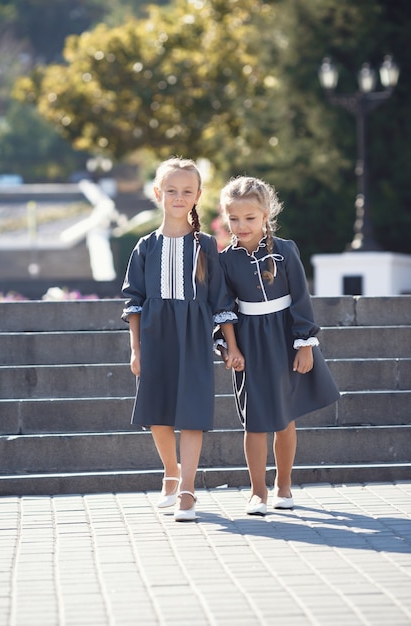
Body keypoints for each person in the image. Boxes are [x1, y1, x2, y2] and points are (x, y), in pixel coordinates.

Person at [121, 157, 244, 522]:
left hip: (194, 337)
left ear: (197, 196)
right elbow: (134, 302)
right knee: (157, 412)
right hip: (155, 336)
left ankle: (187, 491)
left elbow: (221, 300)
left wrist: (231, 345)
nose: (178, 197)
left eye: (186, 191)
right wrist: (135, 348)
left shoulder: (206, 246)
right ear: (158, 193)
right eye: (171, 190)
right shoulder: (145, 246)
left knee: (191, 412)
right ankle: (171, 472)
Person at [216, 175, 340, 515]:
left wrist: (304, 345)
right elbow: (223, 308)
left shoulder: (285, 251)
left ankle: (283, 485)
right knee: (254, 420)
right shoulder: (225, 260)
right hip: (249, 341)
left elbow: (301, 298)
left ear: (266, 214)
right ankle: (257, 492)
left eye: (250, 218)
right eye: (234, 218)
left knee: (285, 418)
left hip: (285, 338)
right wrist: (230, 348)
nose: (241, 225)